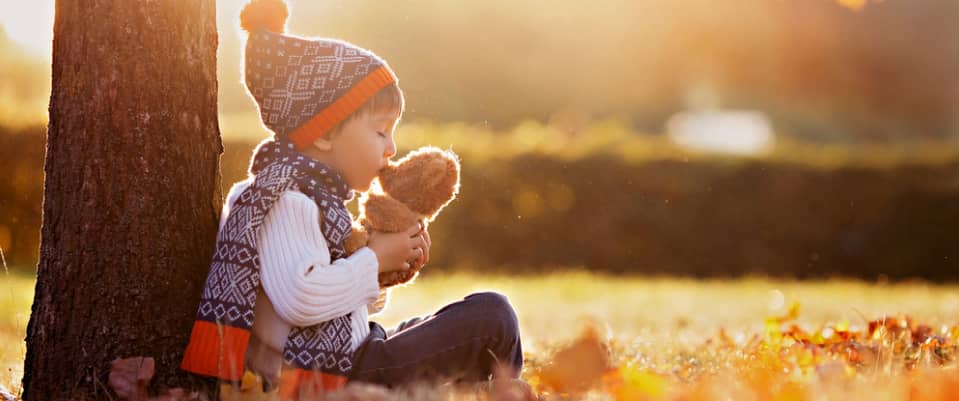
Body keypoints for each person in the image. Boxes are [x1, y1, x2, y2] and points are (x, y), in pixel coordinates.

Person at [180, 0, 524, 398]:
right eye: (380, 132)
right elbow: (301, 299)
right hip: (331, 375)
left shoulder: (316, 197)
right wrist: (374, 258)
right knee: (491, 316)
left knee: (473, 314)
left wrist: (383, 272)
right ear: (324, 134)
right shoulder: (286, 200)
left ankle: (490, 389)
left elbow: (341, 308)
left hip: (351, 357)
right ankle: (501, 390)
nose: (391, 148)